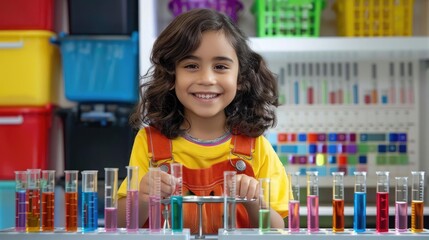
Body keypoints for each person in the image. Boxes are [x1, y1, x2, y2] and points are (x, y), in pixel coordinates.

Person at [117, 8, 291, 234]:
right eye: (191, 66)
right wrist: (142, 196)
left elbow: (279, 229)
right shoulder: (149, 143)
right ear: (171, 76)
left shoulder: (257, 147)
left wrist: (254, 201)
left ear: (240, 78)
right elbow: (121, 222)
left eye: (220, 67)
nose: (207, 79)